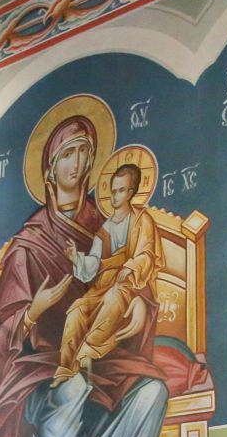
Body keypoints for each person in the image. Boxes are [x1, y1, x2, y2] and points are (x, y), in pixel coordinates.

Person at [0, 115, 169, 437]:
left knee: (151, 391)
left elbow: (134, 278)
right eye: (67, 153)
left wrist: (138, 312)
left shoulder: (108, 222)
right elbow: (2, 329)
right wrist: (34, 311)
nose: (77, 163)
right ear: (48, 169)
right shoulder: (29, 242)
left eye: (85, 153)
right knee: (69, 392)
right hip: (41, 364)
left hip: (103, 349)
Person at [53, 162, 159, 387]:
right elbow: (94, 262)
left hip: (129, 284)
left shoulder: (142, 220)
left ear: (131, 193)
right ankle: (65, 366)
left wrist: (129, 268)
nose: (115, 196)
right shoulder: (106, 228)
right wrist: (77, 259)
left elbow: (147, 254)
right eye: (113, 191)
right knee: (77, 310)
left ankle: (87, 351)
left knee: (114, 296)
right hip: (102, 285)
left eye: (121, 190)